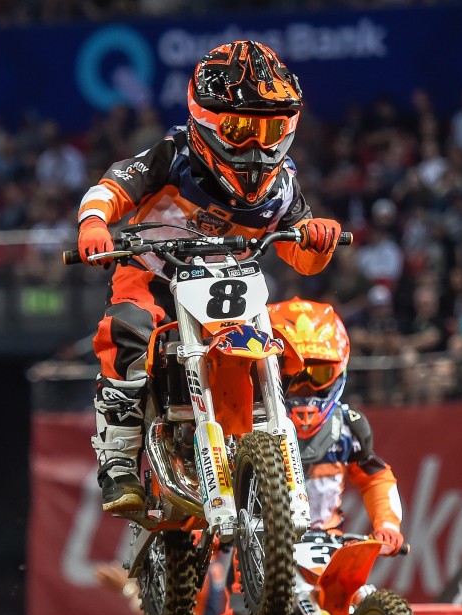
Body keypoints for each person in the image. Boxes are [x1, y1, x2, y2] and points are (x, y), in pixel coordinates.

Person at [76, 40, 343, 513]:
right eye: (242, 127)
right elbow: (114, 184)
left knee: (284, 347)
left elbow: (300, 255)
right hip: (152, 273)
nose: (257, 145)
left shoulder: (282, 185)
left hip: (231, 283)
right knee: (126, 334)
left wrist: (317, 241)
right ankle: (118, 461)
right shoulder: (174, 154)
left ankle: (267, 458)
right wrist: (94, 222)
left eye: (271, 128)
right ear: (207, 120)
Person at [221, 296, 405, 615]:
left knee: (358, 597)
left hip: (329, 546)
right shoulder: (245, 423)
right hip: (261, 547)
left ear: (338, 372)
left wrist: (388, 524)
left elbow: (377, 477)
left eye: (317, 374)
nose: (304, 387)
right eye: (293, 374)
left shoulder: (348, 426)